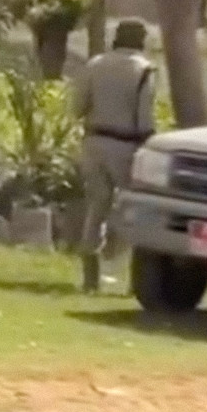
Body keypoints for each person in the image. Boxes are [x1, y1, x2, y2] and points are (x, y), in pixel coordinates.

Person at [72, 19, 157, 294]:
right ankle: (136, 278)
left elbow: (77, 108)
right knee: (134, 208)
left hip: (94, 141)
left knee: (97, 205)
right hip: (126, 145)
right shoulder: (144, 70)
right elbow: (145, 118)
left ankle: (90, 277)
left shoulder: (95, 65)